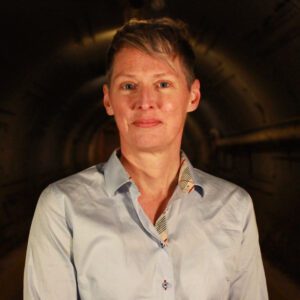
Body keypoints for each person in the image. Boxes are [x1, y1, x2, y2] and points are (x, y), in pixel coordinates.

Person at [24, 18, 268, 299]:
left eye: (163, 83)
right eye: (129, 86)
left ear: (193, 96)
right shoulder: (62, 207)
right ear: (108, 101)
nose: (145, 102)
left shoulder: (234, 209)